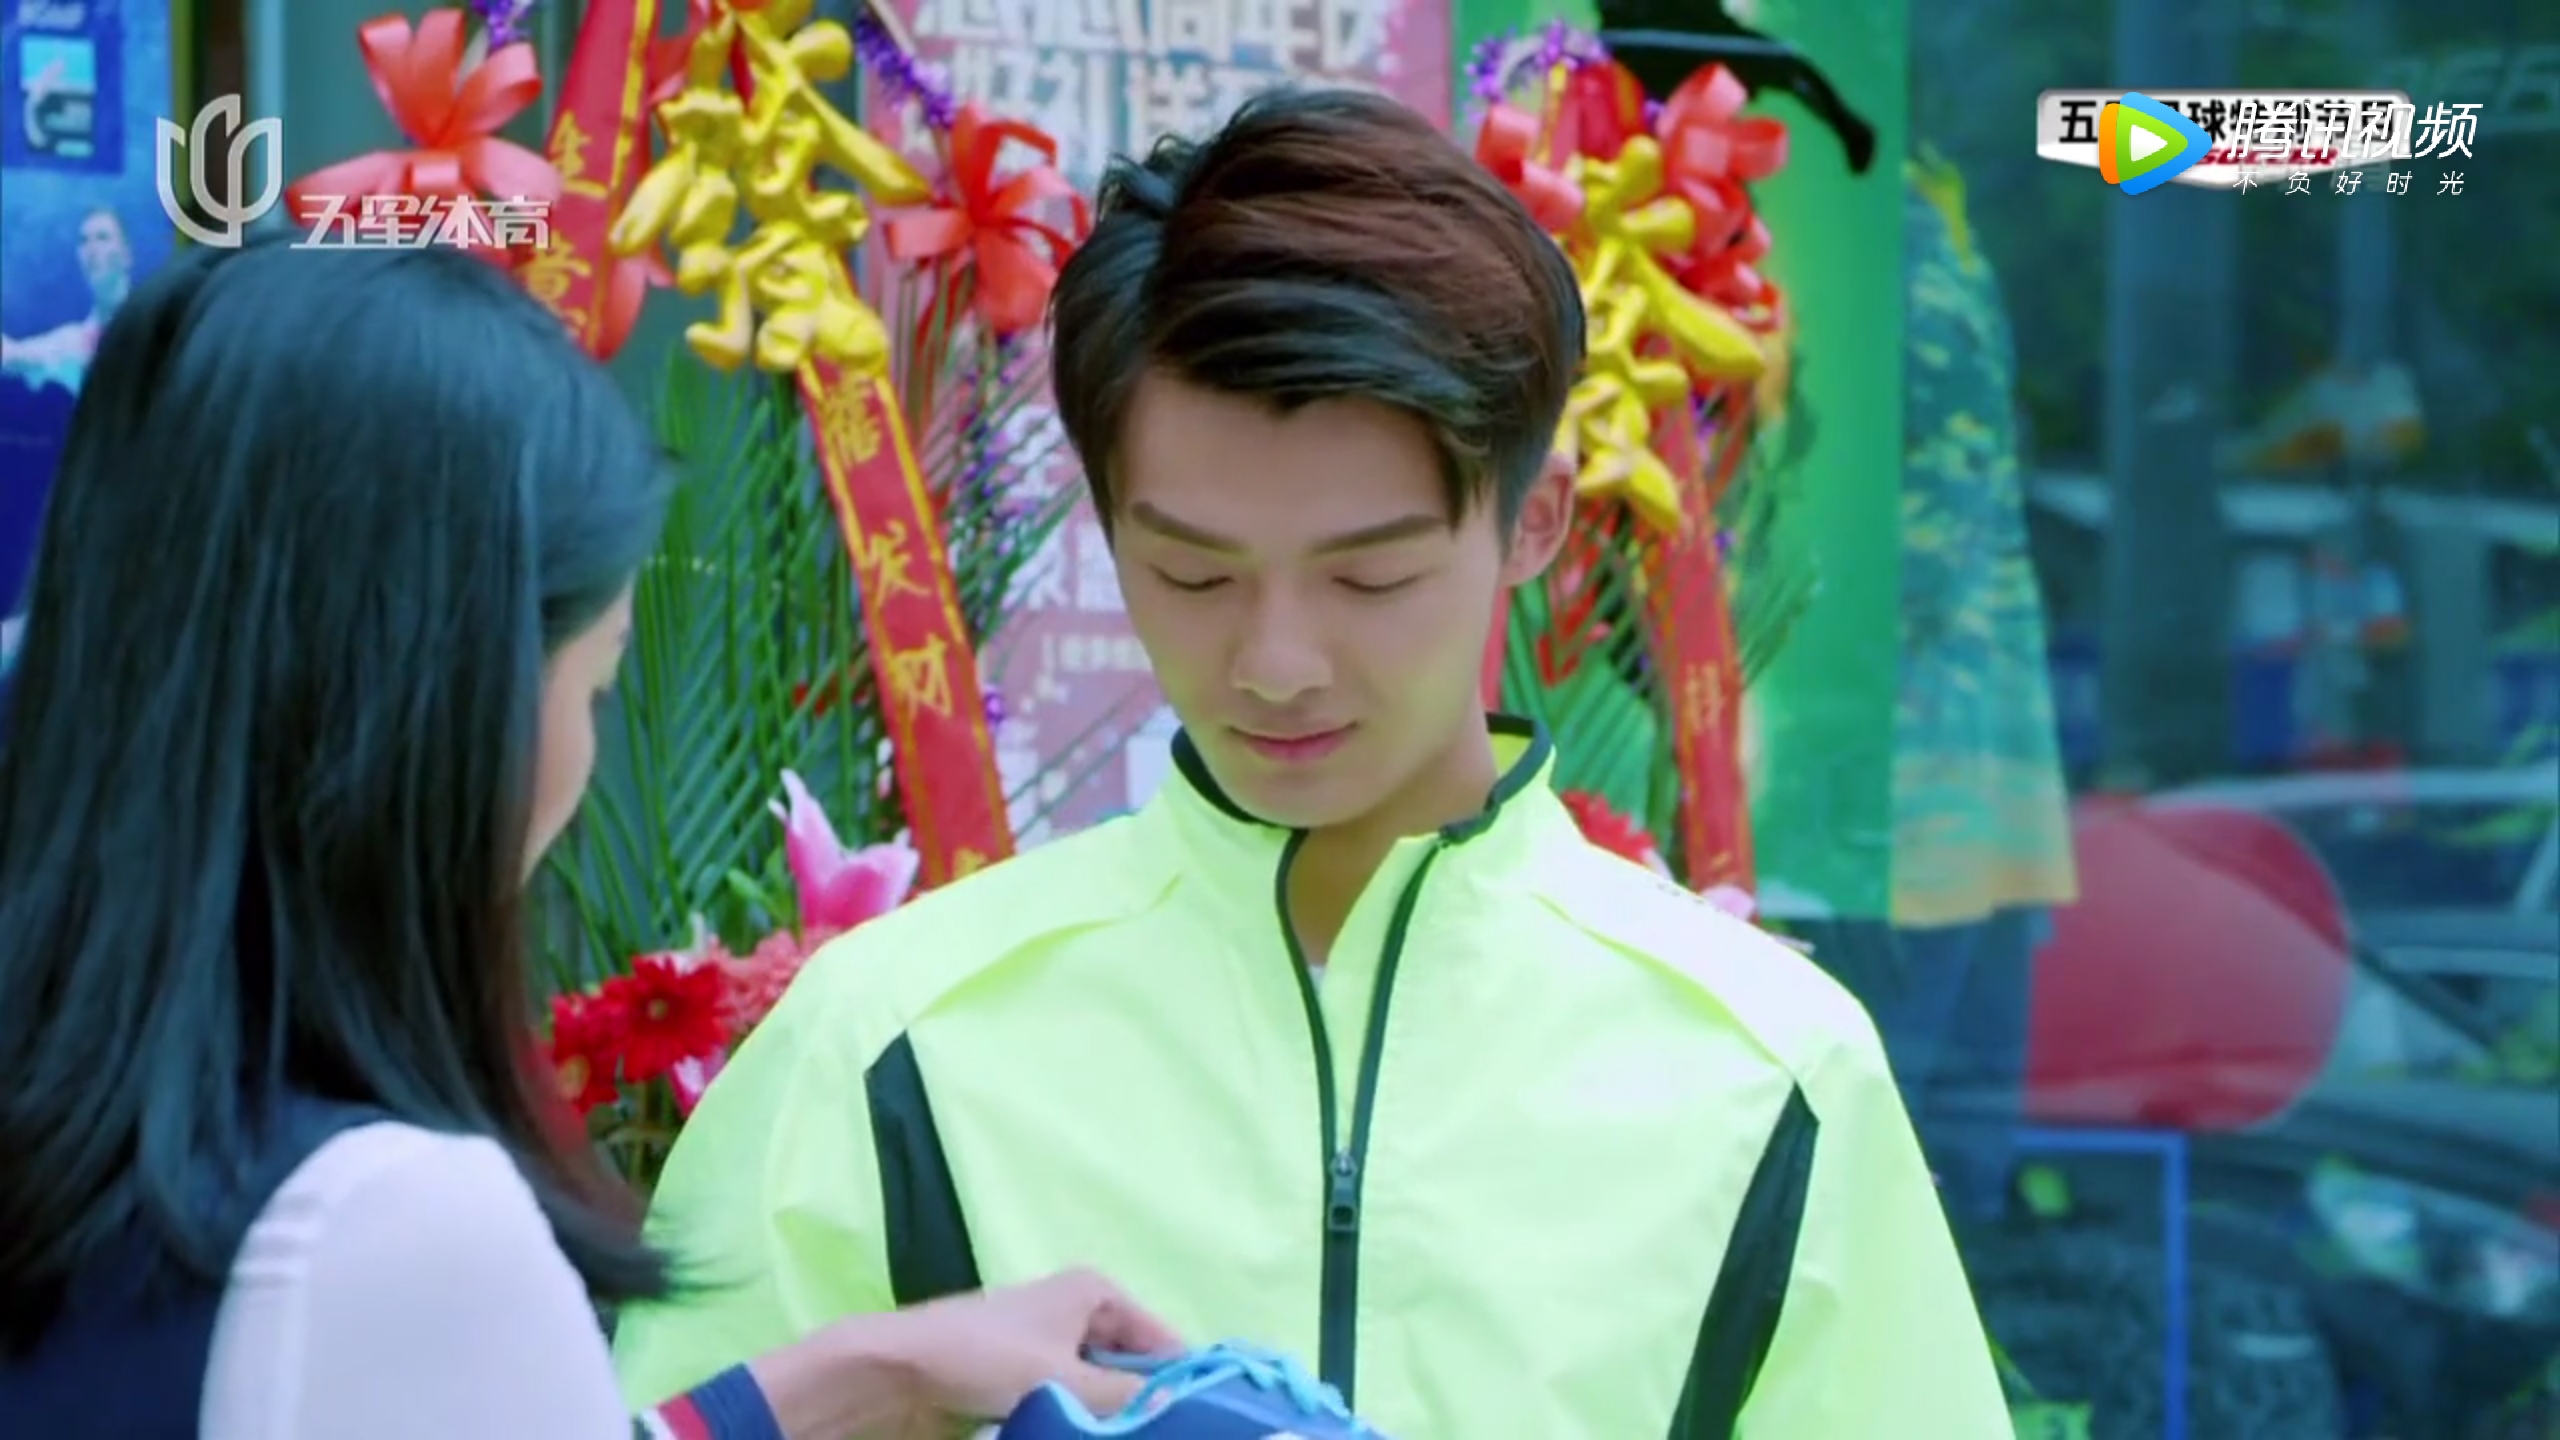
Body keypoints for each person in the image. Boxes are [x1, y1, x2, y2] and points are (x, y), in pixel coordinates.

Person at [615, 87, 2009, 1438]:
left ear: (1533, 524)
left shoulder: (1770, 1067)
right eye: (1195, 574)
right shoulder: (883, 1043)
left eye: (1369, 577)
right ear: (1109, 527)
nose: (1276, 662)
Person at [0, 235, 1180, 1438]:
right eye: (600, 681)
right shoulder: (384, 1227)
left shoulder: (119, 1172)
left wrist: (876, 1370)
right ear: (452, 706)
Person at [0, 206, 132, 394]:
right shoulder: (72, 344)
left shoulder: (151, 325)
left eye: (102, 237)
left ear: (126, 254)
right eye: (84, 241)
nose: (92, 249)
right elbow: (12, 355)